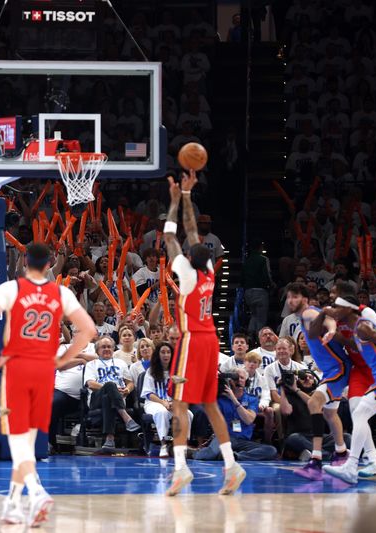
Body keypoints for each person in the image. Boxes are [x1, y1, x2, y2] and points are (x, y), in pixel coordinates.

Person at [0, 242, 96, 527]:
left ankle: (38, 492)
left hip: (17, 367)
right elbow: (88, 330)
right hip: (45, 370)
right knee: (26, 443)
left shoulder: (11, 289)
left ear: (24, 261)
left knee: (18, 440)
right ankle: (13, 505)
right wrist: (64, 357)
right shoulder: (61, 292)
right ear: (50, 263)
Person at [163, 171, 246, 496]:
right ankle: (232, 466)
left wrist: (174, 201)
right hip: (211, 339)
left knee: (179, 403)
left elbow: (172, 236)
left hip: (192, 341)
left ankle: (181, 469)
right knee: (210, 404)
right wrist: (187, 195)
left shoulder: (185, 272)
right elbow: (193, 232)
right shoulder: (209, 269)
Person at [284, 283, 351, 480]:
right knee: (330, 413)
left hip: (337, 369)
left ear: (305, 298)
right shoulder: (308, 314)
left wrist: (331, 330)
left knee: (314, 403)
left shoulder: (308, 313)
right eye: (289, 297)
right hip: (334, 370)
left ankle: (316, 460)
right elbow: (327, 318)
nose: (291, 301)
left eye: (295, 296)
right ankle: (341, 453)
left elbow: (328, 320)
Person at [324, 295, 376, 483]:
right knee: (359, 413)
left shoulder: (363, 327)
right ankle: (362, 465)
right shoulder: (356, 330)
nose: (334, 310)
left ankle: (351, 466)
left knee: (360, 413)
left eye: (338, 307)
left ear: (348, 309)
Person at [194, 369, 278, 462]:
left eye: (242, 378)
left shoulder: (251, 399)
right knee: (211, 454)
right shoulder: (220, 398)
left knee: (271, 450)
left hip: (243, 441)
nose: (239, 380)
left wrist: (234, 399)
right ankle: (192, 453)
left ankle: (236, 456)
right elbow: (203, 406)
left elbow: (249, 420)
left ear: (246, 380)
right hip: (225, 437)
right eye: (236, 378)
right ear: (230, 380)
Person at [83, 336, 140, 449]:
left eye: (109, 347)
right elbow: (91, 384)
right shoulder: (92, 364)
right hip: (95, 399)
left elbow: (130, 383)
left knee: (107, 398)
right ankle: (126, 417)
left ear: (113, 349)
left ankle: (110, 439)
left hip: (118, 397)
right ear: (97, 350)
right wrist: (110, 387)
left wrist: (127, 390)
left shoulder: (121, 363)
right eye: (103, 347)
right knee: (110, 385)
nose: (107, 349)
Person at [142, 341, 192, 458]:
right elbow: (149, 393)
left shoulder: (177, 372)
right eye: (163, 352)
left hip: (172, 403)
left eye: (168, 352)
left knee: (188, 414)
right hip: (154, 402)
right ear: (158, 355)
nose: (166, 355)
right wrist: (163, 402)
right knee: (162, 413)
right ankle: (163, 444)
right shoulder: (151, 371)